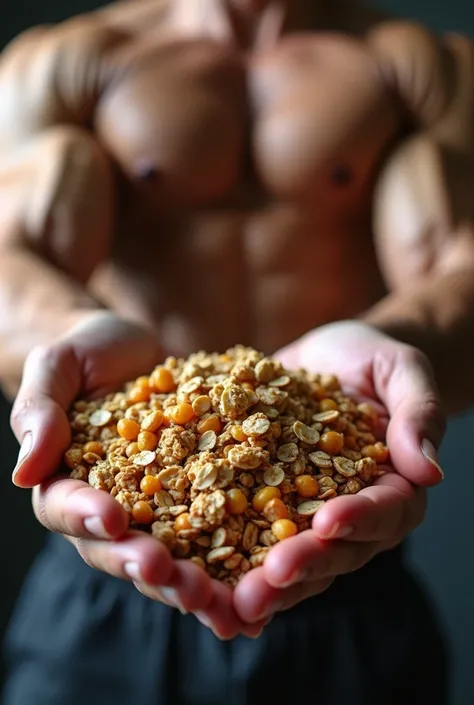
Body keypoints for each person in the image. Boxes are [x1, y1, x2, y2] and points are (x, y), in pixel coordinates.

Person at [2, 0, 474, 702]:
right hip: (118, 547)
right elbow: (13, 256)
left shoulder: (417, 70)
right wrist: (69, 334)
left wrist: (394, 345)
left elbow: (456, 266)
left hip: (342, 554)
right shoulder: (69, 64)